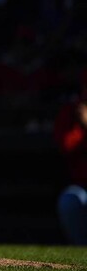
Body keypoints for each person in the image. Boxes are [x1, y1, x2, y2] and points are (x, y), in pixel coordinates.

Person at [54, 85, 87, 245]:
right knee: (70, 199)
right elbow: (66, 146)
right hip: (82, 185)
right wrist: (80, 123)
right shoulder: (73, 111)